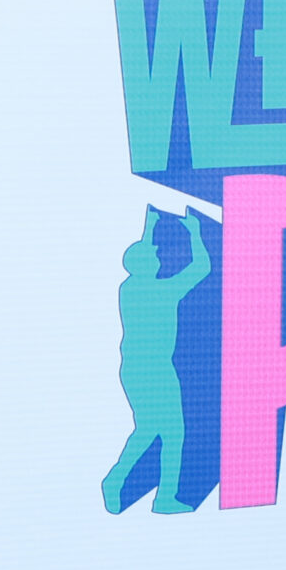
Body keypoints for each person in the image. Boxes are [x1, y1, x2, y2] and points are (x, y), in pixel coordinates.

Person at [101, 206, 212, 515]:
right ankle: (164, 498)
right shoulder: (164, 291)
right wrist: (195, 233)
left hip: (133, 370)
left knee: (148, 430)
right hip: (158, 371)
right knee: (173, 433)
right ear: (149, 264)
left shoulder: (129, 288)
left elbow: (142, 254)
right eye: (155, 256)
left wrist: (150, 227)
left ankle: (115, 481)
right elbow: (201, 268)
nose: (160, 257)